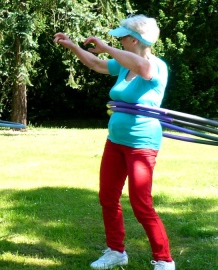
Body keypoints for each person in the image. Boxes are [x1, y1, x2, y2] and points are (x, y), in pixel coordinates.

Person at [54, 15, 175, 270]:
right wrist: (74, 47)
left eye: (121, 37)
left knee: (141, 203)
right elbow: (97, 65)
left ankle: (164, 260)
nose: (117, 40)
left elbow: (144, 68)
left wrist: (107, 48)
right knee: (108, 197)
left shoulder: (156, 65)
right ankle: (116, 251)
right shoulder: (123, 65)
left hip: (142, 143)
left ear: (133, 40)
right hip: (115, 141)